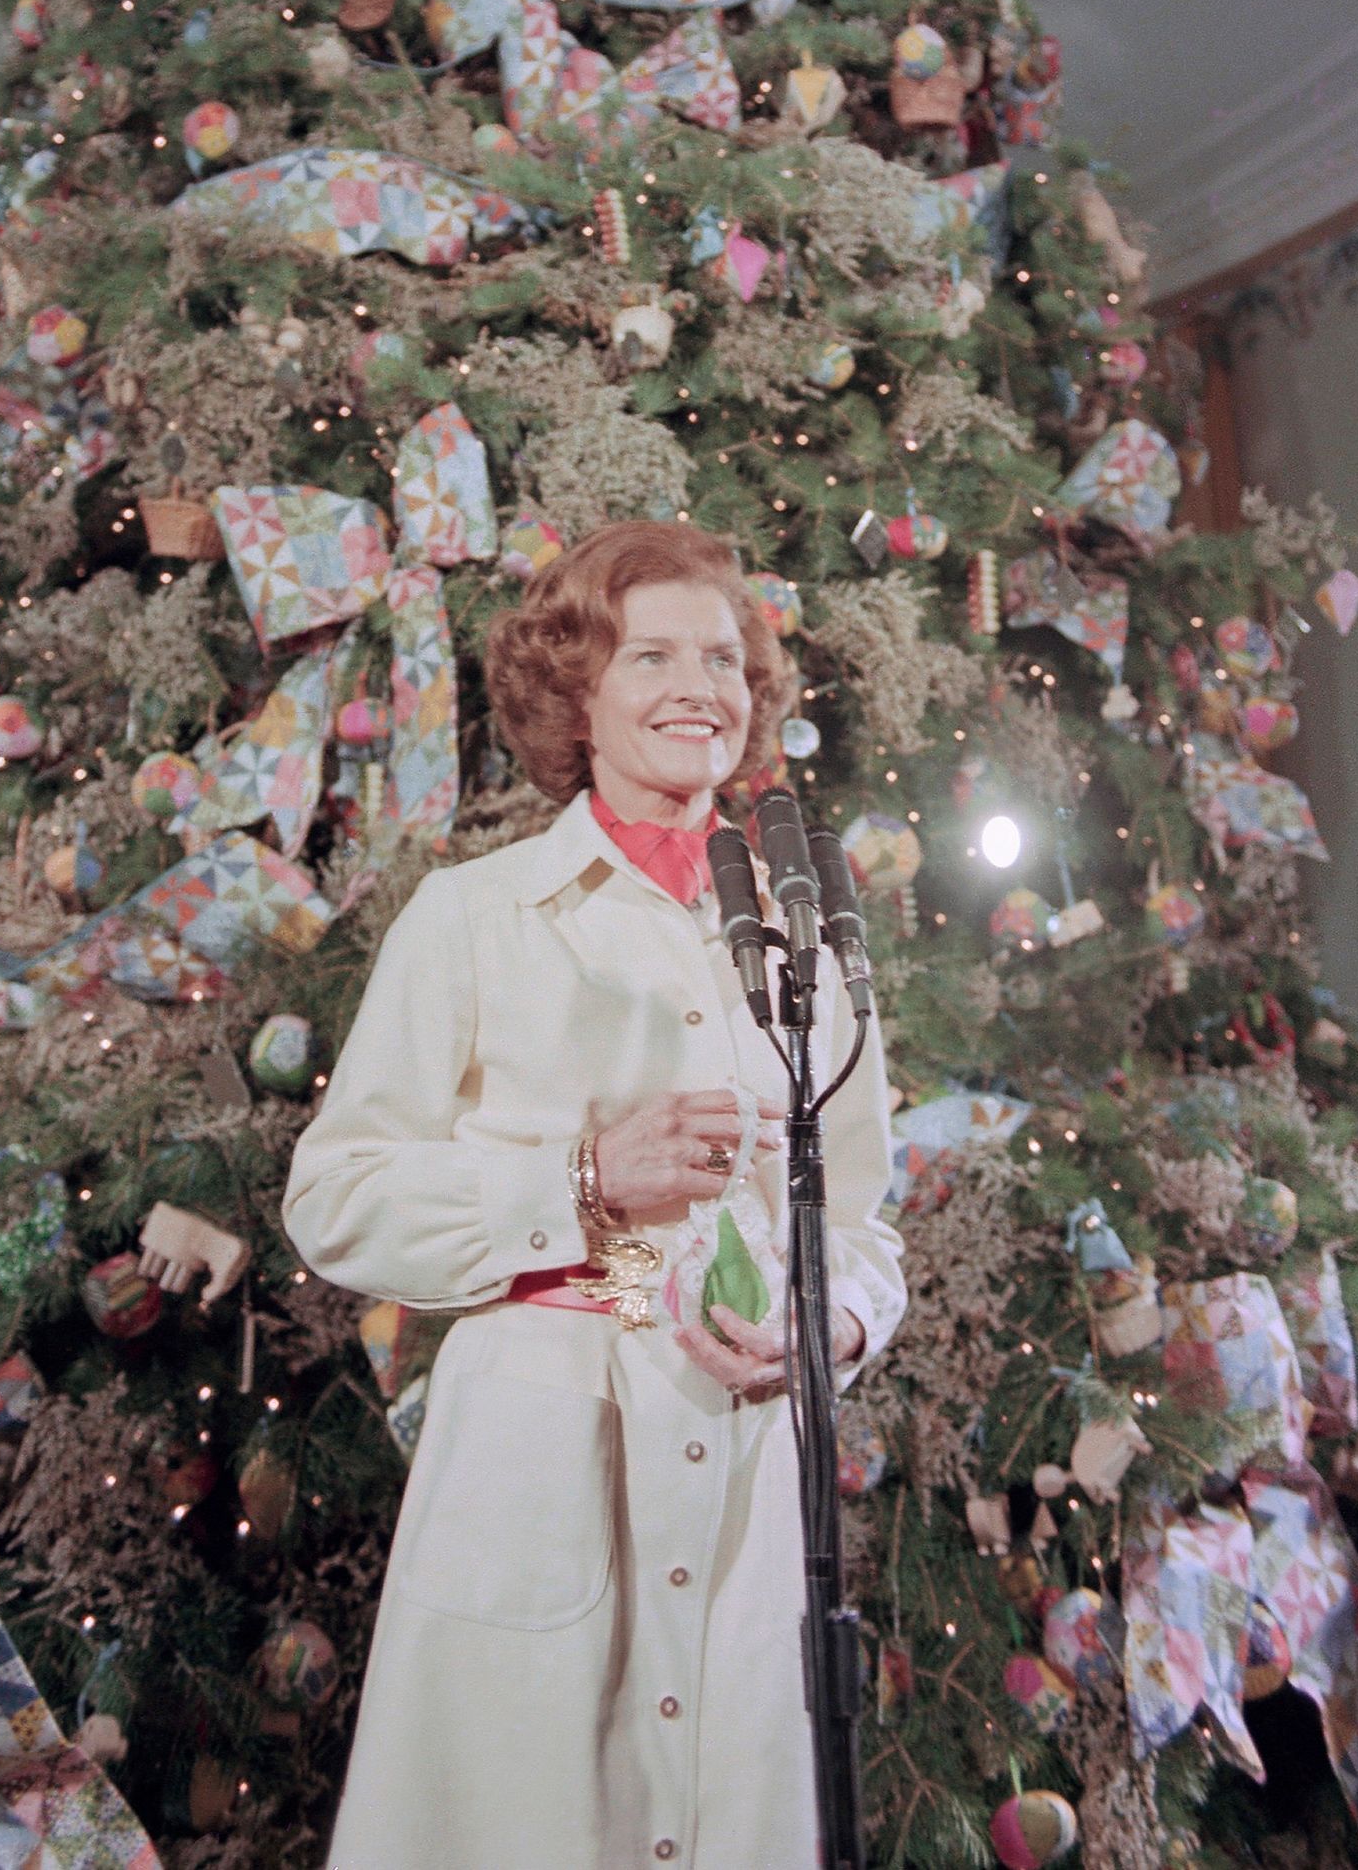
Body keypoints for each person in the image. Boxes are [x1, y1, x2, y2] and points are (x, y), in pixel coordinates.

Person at [283, 519, 906, 1870]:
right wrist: (580, 1179)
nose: (704, 684)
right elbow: (336, 1195)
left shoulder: (807, 953)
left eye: (726, 658)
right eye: (656, 653)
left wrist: (835, 1323)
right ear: (578, 690)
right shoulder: (476, 915)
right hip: (536, 1457)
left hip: (750, 1472)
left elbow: (861, 1217)